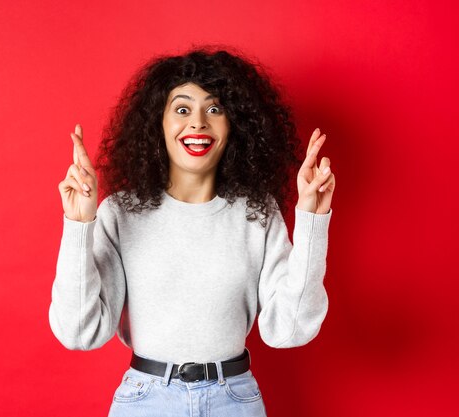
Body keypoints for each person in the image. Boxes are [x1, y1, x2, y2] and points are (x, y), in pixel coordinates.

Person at [49, 46, 336, 417]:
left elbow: (289, 330)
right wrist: (78, 226)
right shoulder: (119, 213)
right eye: (182, 109)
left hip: (235, 401)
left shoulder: (257, 213)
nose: (198, 122)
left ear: (235, 125)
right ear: (159, 124)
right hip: (146, 401)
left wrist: (312, 218)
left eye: (214, 109)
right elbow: (78, 332)